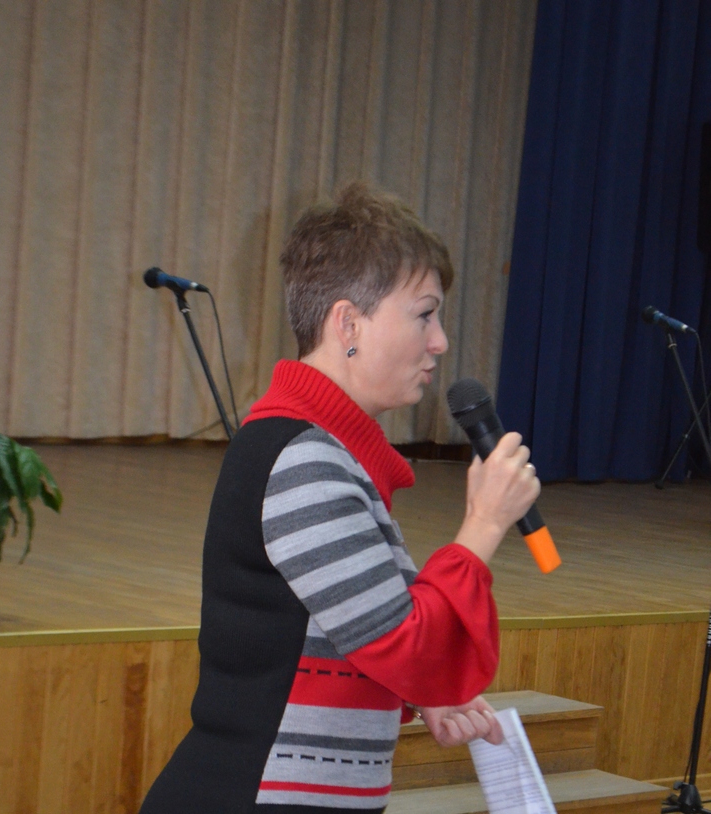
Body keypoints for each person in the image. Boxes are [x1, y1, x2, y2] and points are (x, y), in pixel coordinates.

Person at [141, 183, 540, 814]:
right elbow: (409, 643)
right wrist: (484, 523)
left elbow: (360, 629)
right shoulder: (304, 460)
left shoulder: (327, 454)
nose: (439, 341)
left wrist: (422, 692)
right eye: (425, 315)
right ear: (348, 324)